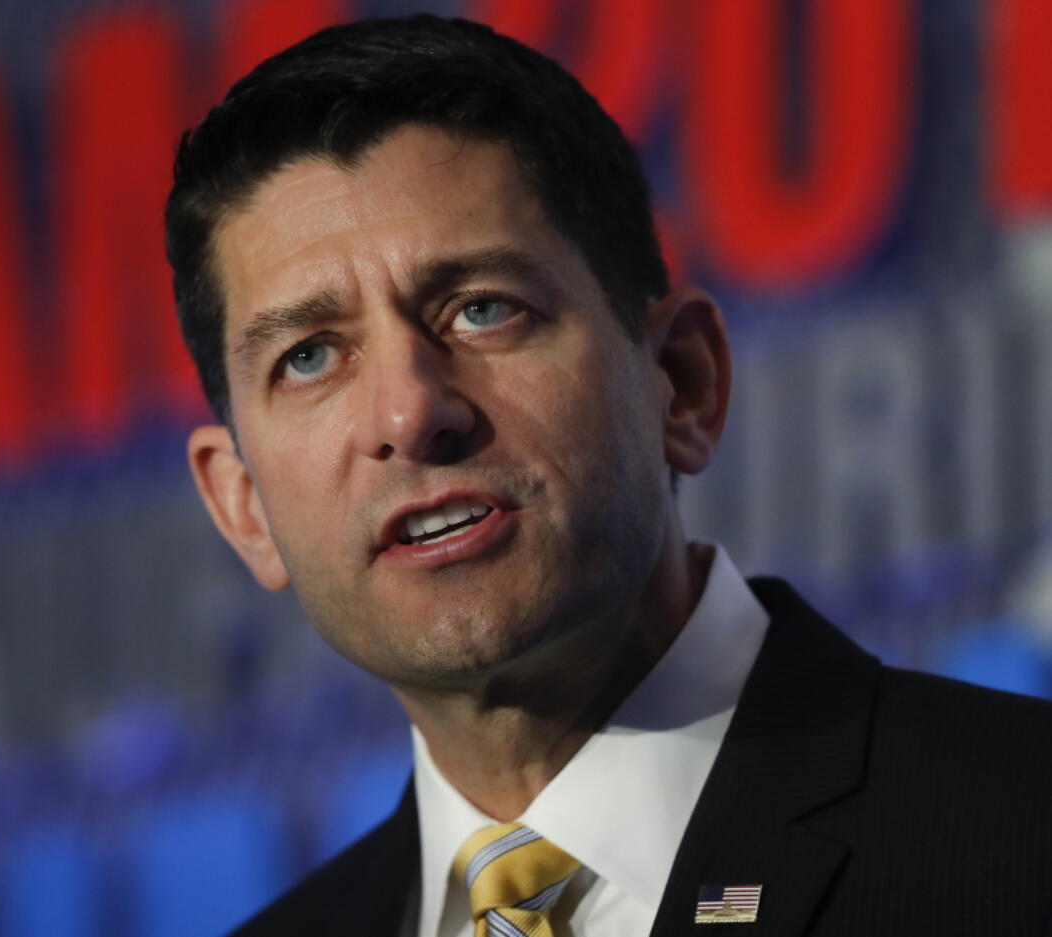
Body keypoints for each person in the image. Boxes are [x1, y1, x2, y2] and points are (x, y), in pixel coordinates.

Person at [164, 14, 1052, 937]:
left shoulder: (1021, 831)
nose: (409, 413)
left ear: (684, 382)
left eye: (481, 308)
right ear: (243, 509)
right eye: (309, 357)